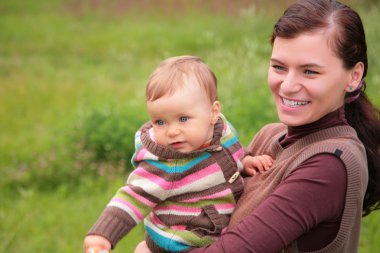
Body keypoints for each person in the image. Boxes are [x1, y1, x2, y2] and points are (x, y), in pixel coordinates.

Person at [135, 0, 380, 252]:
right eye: (279, 67)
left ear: (353, 76)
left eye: (310, 72)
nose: (287, 85)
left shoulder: (329, 164)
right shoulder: (269, 136)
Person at [83, 55, 274, 253]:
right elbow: (132, 197)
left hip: (211, 229)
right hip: (181, 243)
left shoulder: (221, 128)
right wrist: (102, 234)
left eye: (183, 118)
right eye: (160, 122)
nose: (172, 131)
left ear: (213, 113)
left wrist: (245, 160)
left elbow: (232, 148)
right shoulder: (166, 165)